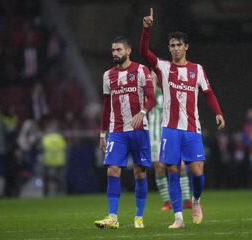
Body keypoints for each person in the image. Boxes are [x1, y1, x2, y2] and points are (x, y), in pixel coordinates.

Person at [140, 8, 225, 228]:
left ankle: (196, 201)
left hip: (191, 129)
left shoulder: (197, 69)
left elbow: (208, 93)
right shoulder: (164, 68)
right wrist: (146, 29)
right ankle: (178, 217)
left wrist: (218, 112)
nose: (176, 48)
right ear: (169, 49)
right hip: (170, 129)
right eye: (172, 45)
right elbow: (144, 51)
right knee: (173, 171)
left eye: (179, 45)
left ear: (186, 47)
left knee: (197, 172)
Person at [94, 36, 155, 229]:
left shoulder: (141, 70)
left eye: (119, 50)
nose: (115, 53)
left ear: (128, 51)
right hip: (117, 132)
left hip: (139, 130)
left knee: (139, 173)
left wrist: (143, 112)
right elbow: (106, 107)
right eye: (113, 50)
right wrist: (103, 133)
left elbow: (152, 98)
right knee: (112, 169)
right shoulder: (107, 75)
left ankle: (139, 216)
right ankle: (113, 216)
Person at [148, 71, 192, 211]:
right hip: (154, 136)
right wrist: (153, 79)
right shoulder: (150, 94)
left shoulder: (173, 91)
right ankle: (167, 201)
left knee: (181, 166)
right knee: (160, 168)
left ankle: (186, 200)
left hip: (171, 134)